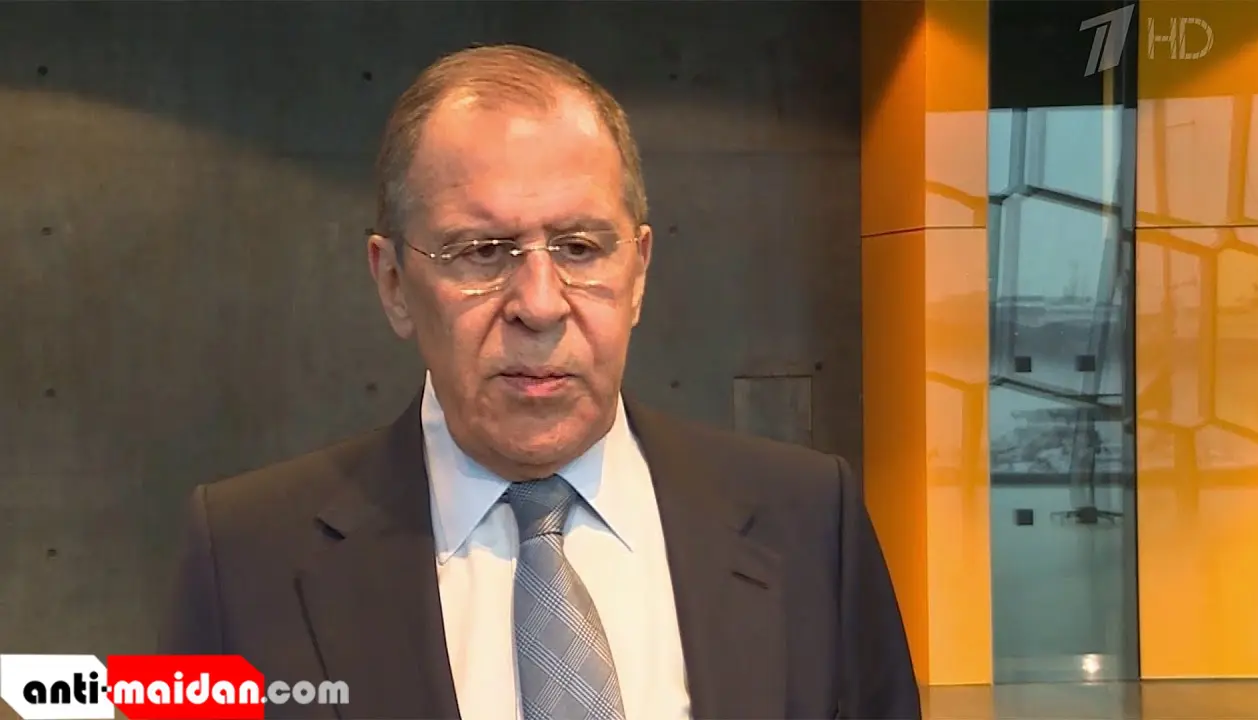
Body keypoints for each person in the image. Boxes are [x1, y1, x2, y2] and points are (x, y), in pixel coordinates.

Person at [159, 44, 920, 720]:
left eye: (580, 247)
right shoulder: (244, 557)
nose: (540, 304)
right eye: (482, 252)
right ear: (393, 283)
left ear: (638, 272)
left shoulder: (808, 522)